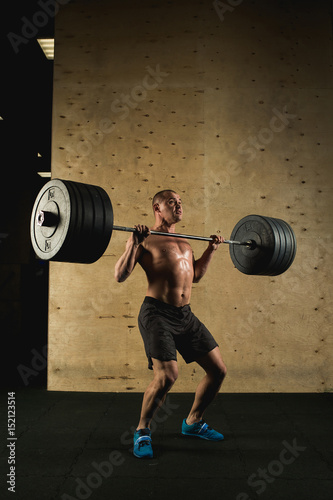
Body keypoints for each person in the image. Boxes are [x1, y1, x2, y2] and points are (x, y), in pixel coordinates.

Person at [114, 190, 227, 458]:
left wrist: (211, 249)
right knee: (167, 376)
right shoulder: (145, 239)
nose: (178, 206)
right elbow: (120, 275)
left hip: (185, 315)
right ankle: (142, 431)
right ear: (157, 208)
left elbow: (195, 276)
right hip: (156, 314)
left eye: (180, 202)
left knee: (218, 370)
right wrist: (133, 243)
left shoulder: (185, 242)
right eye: (172, 202)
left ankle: (193, 422)